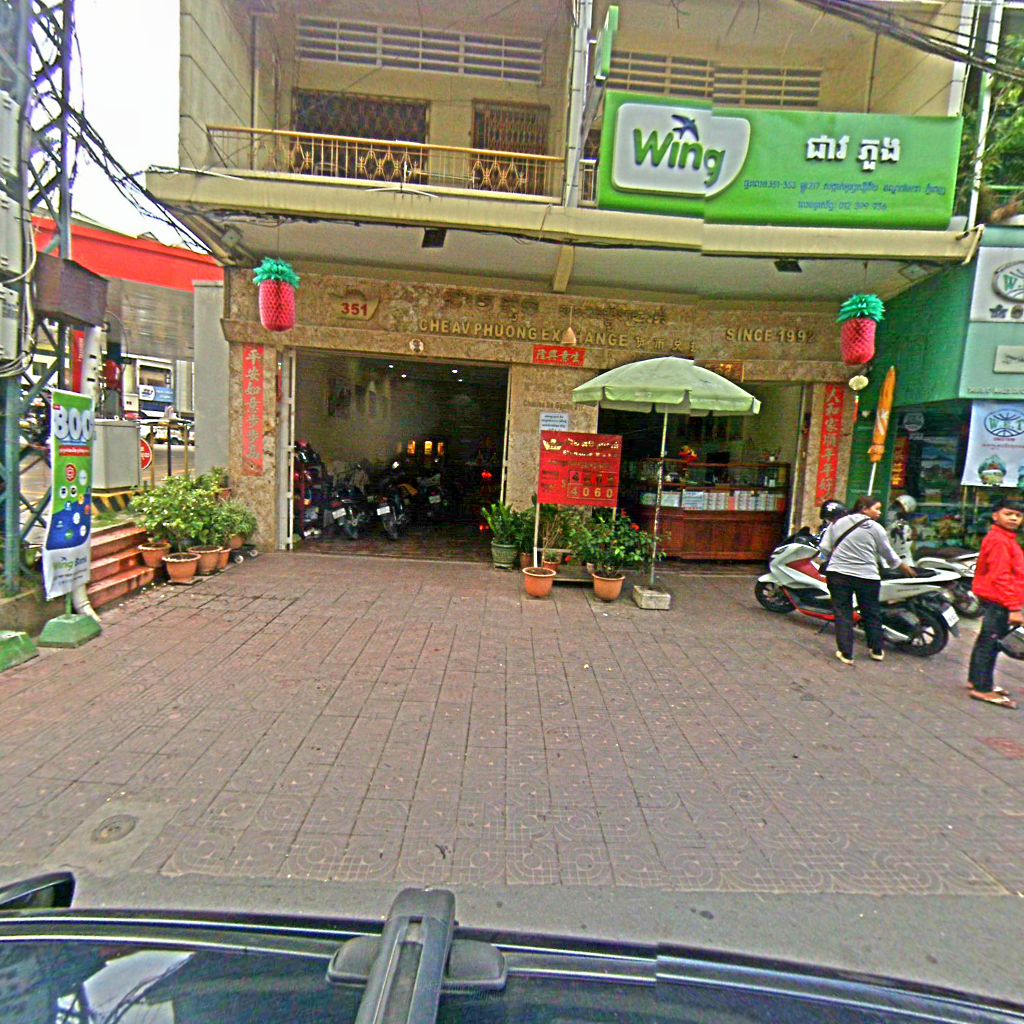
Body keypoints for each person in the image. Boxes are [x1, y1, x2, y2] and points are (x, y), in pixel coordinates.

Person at [818, 495, 915, 666]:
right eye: (876, 508)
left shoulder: (837, 523)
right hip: (867, 577)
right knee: (871, 613)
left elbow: (824, 548)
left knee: (843, 613)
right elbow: (887, 553)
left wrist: (830, 557)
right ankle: (876, 650)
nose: (879, 513)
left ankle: (846, 653)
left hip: (839, 575)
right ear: (864, 508)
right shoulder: (876, 528)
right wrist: (902, 566)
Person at [967, 498, 1024, 709]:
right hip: (999, 599)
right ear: (995, 515)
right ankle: (982, 689)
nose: (1013, 518)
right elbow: (1001, 576)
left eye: (1018, 515)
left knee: (986, 640)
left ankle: (976, 680)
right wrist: (1014, 607)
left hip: (996, 597)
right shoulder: (1000, 541)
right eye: (1008, 513)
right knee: (990, 643)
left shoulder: (1004, 538)